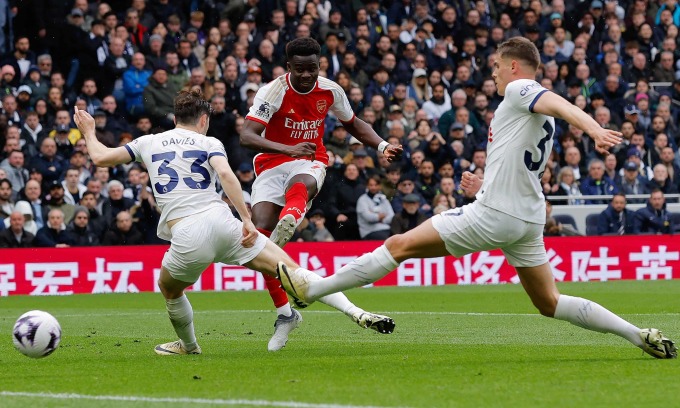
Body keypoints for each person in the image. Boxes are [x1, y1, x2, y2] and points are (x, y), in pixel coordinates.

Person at [279, 37, 677, 359]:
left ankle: (311, 291)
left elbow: (558, 101)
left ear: (514, 66)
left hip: (496, 214)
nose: (494, 75)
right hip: (526, 218)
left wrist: (593, 128)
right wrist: (483, 185)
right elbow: (524, 162)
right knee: (549, 302)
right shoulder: (531, 113)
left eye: (496, 68)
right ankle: (637, 335)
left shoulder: (522, 88)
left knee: (398, 245)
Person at [73, 90, 394, 356]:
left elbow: (100, 157)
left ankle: (189, 345)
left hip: (187, 233)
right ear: (204, 120)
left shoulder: (148, 142)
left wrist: (88, 130)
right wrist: (247, 219)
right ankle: (356, 312)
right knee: (292, 271)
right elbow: (226, 176)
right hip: (223, 222)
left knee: (170, 290)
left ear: (174, 119)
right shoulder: (210, 143)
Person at [239, 38, 402, 335]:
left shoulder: (330, 89)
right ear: (289, 67)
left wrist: (382, 145)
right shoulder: (272, 91)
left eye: (312, 69)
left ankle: (292, 214)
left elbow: (353, 123)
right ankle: (285, 314)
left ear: (319, 66)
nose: (306, 75)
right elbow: (247, 136)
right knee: (261, 240)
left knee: (303, 182)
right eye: (299, 69)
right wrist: (287, 150)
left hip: (310, 159)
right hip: (271, 163)